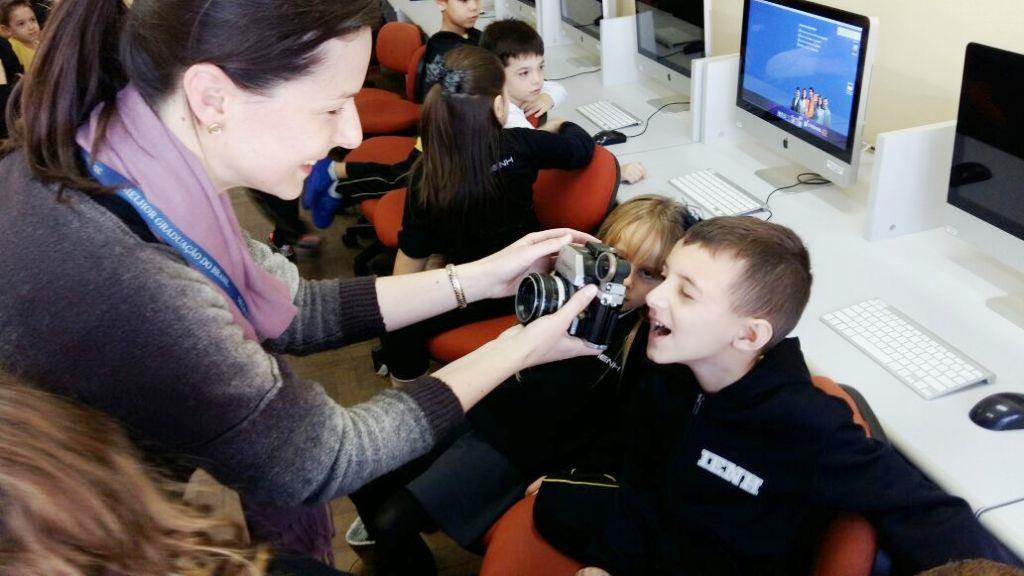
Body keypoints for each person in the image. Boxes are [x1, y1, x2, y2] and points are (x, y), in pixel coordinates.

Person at [0, 0, 602, 566]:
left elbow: (297, 306)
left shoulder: (128, 160)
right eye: (332, 105)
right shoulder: (138, 279)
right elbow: (324, 457)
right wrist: (522, 345)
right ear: (214, 97)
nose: (353, 136)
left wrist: (481, 277)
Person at [532, 217, 1021, 575]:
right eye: (668, 278)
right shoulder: (671, 373)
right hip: (655, 546)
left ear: (748, 336)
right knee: (553, 503)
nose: (656, 296)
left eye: (686, 292)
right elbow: (642, 480)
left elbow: (927, 513)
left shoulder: (810, 428)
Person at [350, 196, 696, 575]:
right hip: (486, 404)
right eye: (618, 260)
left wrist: (577, 476)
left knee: (391, 522)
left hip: (519, 449)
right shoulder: (570, 287)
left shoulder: (649, 347)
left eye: (649, 274)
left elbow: (626, 436)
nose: (626, 280)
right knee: (361, 478)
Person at [380, 46, 595, 384]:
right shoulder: (520, 145)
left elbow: (407, 268)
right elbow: (581, 150)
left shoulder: (427, 175)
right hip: (531, 285)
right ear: (499, 106)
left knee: (397, 326)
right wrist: (563, 124)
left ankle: (409, 393)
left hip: (470, 287)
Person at [479, 18, 646, 185]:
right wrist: (617, 173)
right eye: (524, 73)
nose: (537, 80)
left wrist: (547, 98)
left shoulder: (501, 93)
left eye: (541, 67)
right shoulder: (510, 119)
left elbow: (556, 88)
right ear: (496, 75)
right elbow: (550, 154)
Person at [417, 0, 482, 102]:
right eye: (464, 0)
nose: (474, 6)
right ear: (441, 3)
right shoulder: (444, 51)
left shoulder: (476, 36)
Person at [0, 0, 38, 70]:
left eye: (32, 19)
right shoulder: (12, 49)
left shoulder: (39, 43)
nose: (31, 27)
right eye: (21, 24)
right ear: (6, 29)